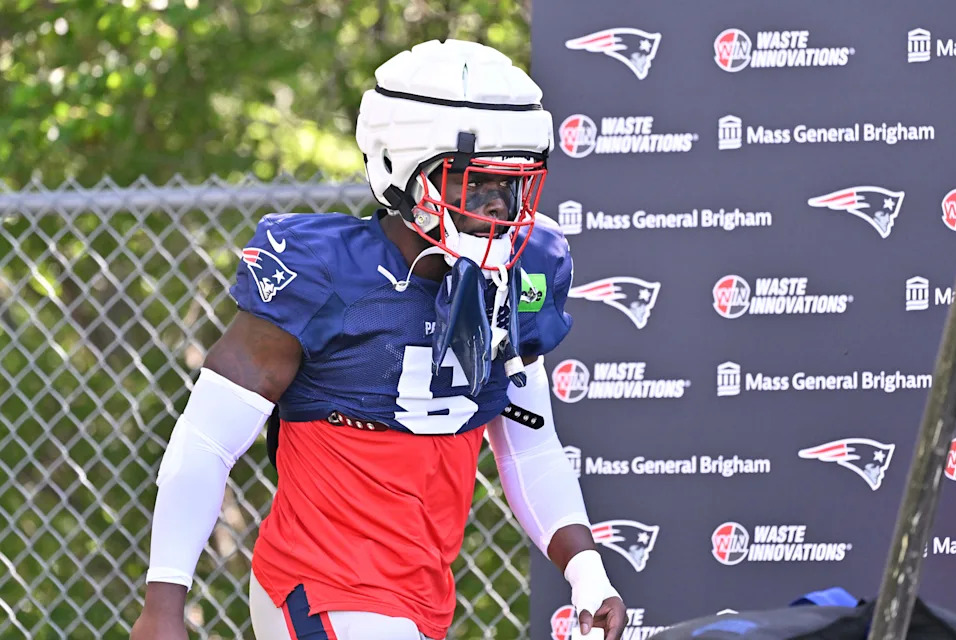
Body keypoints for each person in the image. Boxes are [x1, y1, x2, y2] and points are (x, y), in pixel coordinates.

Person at [130, 39, 627, 640]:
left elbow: (529, 445)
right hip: (318, 582)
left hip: (419, 597)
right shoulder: (323, 271)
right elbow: (207, 439)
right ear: (404, 169)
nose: (499, 208)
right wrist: (162, 604)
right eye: (476, 185)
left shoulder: (522, 275)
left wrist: (586, 571)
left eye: (512, 186)